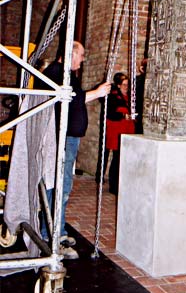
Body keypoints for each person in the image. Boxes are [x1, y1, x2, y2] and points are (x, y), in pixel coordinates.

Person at [40, 41, 111, 258]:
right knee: (59, 187)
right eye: (80, 55)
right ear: (70, 54)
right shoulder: (55, 73)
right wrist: (97, 93)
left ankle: (57, 230)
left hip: (68, 138)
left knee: (63, 186)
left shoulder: (66, 74)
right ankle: (51, 236)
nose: (82, 59)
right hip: (61, 138)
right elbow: (71, 99)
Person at [106, 72, 135, 195]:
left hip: (128, 129)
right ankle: (114, 186)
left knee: (125, 157)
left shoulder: (130, 96)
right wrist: (123, 115)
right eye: (124, 85)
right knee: (117, 158)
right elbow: (110, 113)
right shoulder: (113, 96)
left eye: (127, 85)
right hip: (117, 130)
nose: (126, 87)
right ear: (118, 85)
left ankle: (123, 183)